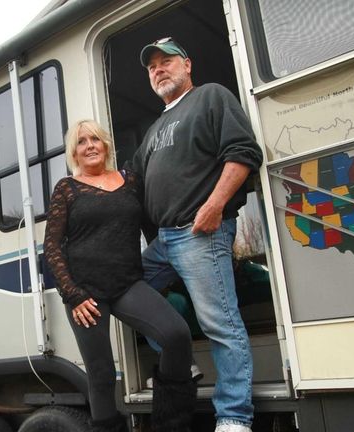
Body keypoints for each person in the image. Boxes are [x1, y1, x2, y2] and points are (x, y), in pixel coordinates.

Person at [132, 37, 264, 432]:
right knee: (126, 293)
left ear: (186, 65)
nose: (159, 69)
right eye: (152, 66)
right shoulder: (154, 130)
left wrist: (214, 205)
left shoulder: (210, 97)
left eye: (166, 61)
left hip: (199, 232)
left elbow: (243, 153)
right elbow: (134, 185)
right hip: (165, 241)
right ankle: (180, 362)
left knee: (220, 325)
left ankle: (234, 416)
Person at [45, 120, 195, 432]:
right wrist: (72, 294)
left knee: (176, 335)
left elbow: (152, 222)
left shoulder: (129, 182)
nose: (90, 146)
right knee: (101, 375)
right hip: (86, 294)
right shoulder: (67, 189)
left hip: (127, 284)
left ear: (106, 145)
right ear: (74, 152)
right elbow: (52, 246)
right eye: (82, 141)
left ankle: (171, 423)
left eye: (95, 139)